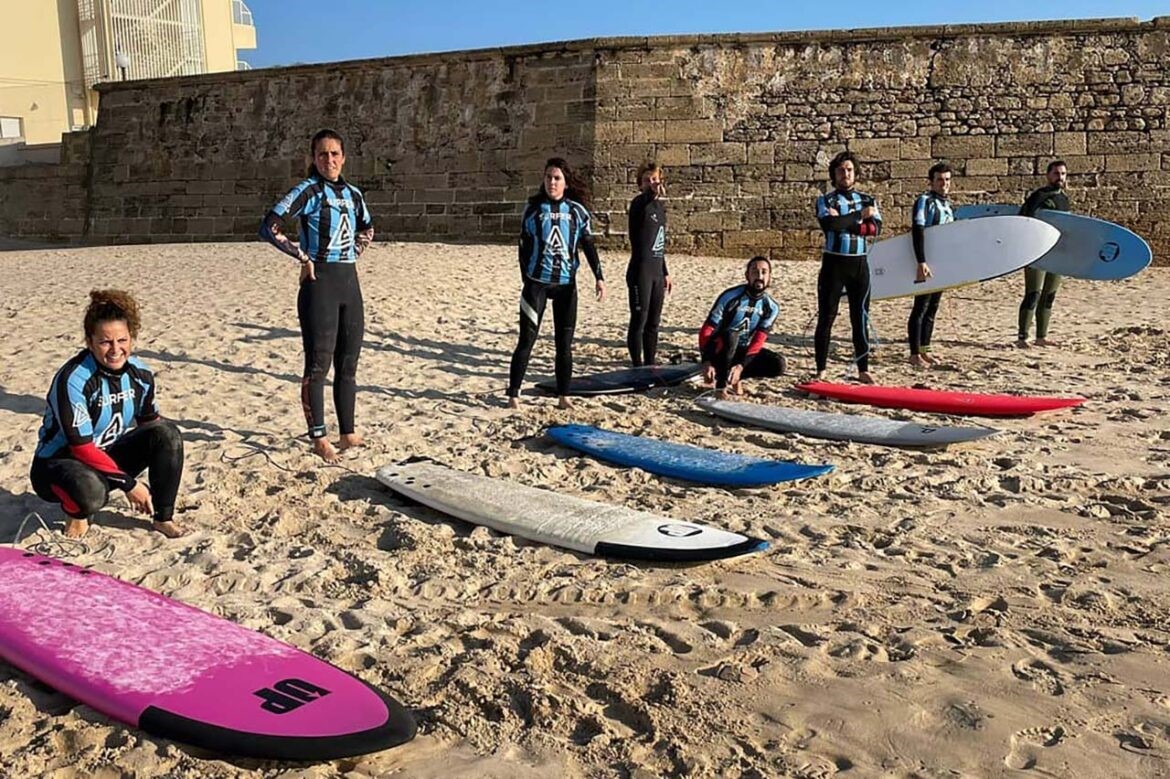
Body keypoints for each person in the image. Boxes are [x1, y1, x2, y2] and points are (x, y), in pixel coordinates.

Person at [30, 290, 185, 539]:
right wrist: (130, 484)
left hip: (104, 457)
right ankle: (76, 513)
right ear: (90, 342)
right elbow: (80, 448)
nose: (115, 349)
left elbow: (151, 426)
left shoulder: (140, 374)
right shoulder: (74, 379)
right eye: (105, 342)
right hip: (57, 465)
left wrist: (153, 469)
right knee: (91, 492)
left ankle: (163, 518)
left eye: (122, 340)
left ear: (131, 339)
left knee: (168, 434)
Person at [260, 129, 373, 463]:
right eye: (322, 154)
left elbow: (368, 227)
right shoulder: (308, 191)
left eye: (335, 153)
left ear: (344, 157)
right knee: (318, 364)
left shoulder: (353, 194)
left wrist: (354, 250)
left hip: (348, 281)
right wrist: (302, 256)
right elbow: (269, 227)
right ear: (313, 158)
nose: (330, 160)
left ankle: (348, 431)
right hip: (318, 283)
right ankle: (319, 436)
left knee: (349, 361)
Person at [506, 157, 606, 409]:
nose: (552, 182)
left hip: (566, 286)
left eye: (557, 178)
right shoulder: (532, 210)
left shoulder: (576, 212)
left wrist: (599, 277)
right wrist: (526, 280)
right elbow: (523, 248)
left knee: (564, 345)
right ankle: (513, 395)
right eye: (548, 177)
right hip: (537, 285)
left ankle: (564, 396)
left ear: (566, 182)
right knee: (526, 341)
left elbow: (588, 245)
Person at [814, 151, 882, 383]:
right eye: (841, 170)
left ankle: (863, 369)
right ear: (834, 174)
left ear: (856, 173)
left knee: (860, 317)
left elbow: (874, 230)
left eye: (850, 170)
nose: (846, 174)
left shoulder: (868, 199)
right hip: (834, 264)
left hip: (859, 264)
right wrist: (860, 217)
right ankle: (821, 369)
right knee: (827, 317)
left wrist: (848, 224)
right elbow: (829, 224)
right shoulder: (825, 200)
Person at [699, 256, 785, 399]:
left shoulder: (771, 307)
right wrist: (706, 361)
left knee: (778, 364)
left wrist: (741, 366)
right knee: (732, 336)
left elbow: (758, 341)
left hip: (741, 349)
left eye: (764, 272)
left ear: (770, 277)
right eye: (754, 272)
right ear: (747, 275)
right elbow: (707, 330)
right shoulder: (730, 296)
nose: (759, 276)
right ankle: (720, 387)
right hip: (719, 348)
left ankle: (735, 376)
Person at [1017, 160, 1070, 348]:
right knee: (1033, 294)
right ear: (1048, 175)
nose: (1060, 177)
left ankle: (1041, 336)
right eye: (1056, 173)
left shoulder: (1064, 199)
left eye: (1063, 174)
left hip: (1057, 253)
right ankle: (1022, 337)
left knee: (1049, 294)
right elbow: (1023, 221)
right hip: (1037, 252)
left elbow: (1068, 227)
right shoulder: (1038, 197)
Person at [907, 162, 954, 367]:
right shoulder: (924, 201)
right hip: (926, 262)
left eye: (947, 180)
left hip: (942, 263)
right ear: (931, 182)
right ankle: (914, 353)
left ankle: (925, 350)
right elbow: (918, 231)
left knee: (932, 309)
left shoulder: (947, 205)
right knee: (920, 307)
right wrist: (921, 261)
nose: (944, 184)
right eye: (940, 180)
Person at [626, 161, 672, 367]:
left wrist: (666, 272)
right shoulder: (639, 204)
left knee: (653, 323)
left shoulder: (660, 208)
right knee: (640, 320)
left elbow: (658, 243)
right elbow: (646, 200)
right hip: (640, 271)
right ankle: (637, 364)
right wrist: (651, 193)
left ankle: (650, 362)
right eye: (646, 180)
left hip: (656, 271)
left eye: (654, 179)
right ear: (640, 184)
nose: (651, 183)